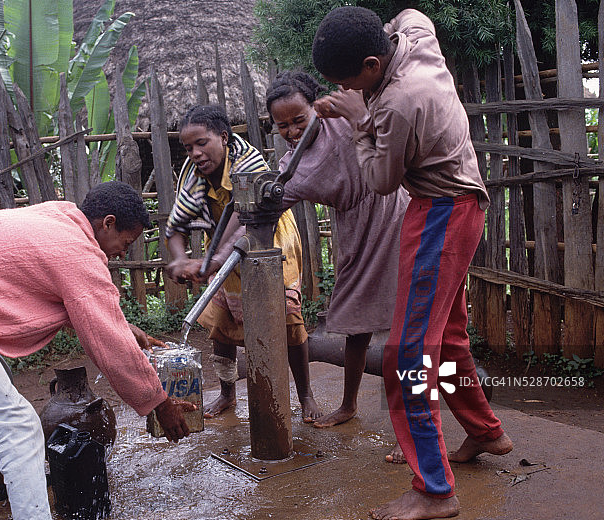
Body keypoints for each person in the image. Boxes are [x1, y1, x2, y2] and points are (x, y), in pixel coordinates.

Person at [312, 7, 513, 520]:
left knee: (407, 355)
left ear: (374, 64)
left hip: (440, 214)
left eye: (348, 81)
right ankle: (486, 433)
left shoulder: (399, 103)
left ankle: (434, 491)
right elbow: (413, 12)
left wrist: (360, 120)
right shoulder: (415, 37)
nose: (344, 89)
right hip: (464, 204)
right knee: (445, 338)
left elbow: (380, 180)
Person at [0, 181, 195, 520]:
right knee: (18, 424)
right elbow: (109, 345)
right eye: (127, 242)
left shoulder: (61, 217)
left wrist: (123, 328)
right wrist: (159, 404)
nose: (123, 253)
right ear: (107, 223)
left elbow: (78, 307)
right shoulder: (76, 252)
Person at [266, 71, 409, 429]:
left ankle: (411, 427)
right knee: (355, 324)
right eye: (281, 125)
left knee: (409, 327)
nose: (292, 130)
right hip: (354, 231)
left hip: (393, 211)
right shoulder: (290, 170)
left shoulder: (341, 115)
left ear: (315, 105)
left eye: (298, 119)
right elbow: (267, 208)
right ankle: (349, 405)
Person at [165, 104, 321, 423]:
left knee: (289, 321)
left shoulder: (248, 160)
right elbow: (175, 226)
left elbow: (244, 214)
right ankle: (226, 393)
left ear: (224, 137)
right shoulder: (195, 172)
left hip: (269, 240)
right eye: (188, 147)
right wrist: (181, 259)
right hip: (222, 247)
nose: (195, 152)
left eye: (202, 143)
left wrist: (214, 260)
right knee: (221, 328)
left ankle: (306, 396)